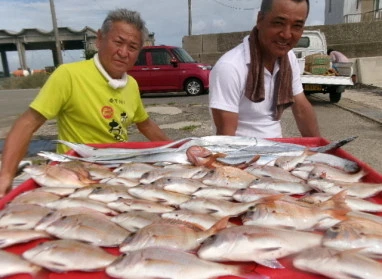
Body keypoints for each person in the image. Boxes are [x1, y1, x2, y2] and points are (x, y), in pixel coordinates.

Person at [0, 8, 170, 197]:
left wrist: (179, 150)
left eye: (132, 47)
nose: (123, 52)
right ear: (100, 39)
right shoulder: (69, 75)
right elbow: (27, 123)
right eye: (118, 42)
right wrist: (6, 175)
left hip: (115, 173)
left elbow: (145, 123)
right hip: (74, 176)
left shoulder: (131, 84)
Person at [209, 0, 320, 139]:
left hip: (276, 151)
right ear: (260, 20)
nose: (286, 35)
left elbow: (302, 110)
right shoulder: (230, 67)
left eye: (296, 26)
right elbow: (226, 137)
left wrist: (322, 150)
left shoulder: (289, 58)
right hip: (242, 155)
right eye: (278, 23)